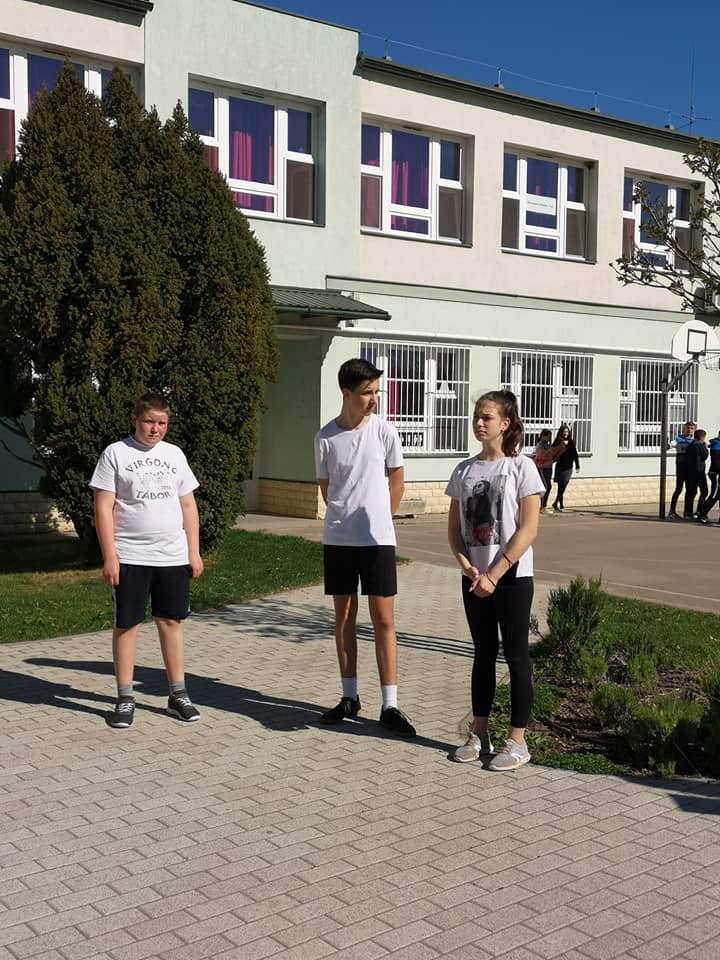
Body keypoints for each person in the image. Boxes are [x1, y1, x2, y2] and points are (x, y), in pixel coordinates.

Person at [314, 358, 416, 738]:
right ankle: (349, 697)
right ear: (346, 393)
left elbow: (397, 483)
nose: (374, 399)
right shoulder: (325, 437)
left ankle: (390, 705)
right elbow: (328, 488)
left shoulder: (385, 432)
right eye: (367, 392)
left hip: (378, 541)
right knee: (344, 619)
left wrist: (381, 518)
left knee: (383, 620)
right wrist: (346, 516)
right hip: (339, 540)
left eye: (376, 391)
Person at [90, 393, 204, 729]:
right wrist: (110, 556)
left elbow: (188, 506)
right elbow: (103, 507)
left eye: (162, 423)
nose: (155, 429)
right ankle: (125, 698)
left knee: (170, 622)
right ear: (134, 419)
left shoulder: (174, 454)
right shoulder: (116, 453)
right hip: (130, 556)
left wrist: (193, 551)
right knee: (127, 625)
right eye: (149, 422)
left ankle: (178, 695)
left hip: (172, 556)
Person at [446, 389, 544, 771]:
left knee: (516, 656)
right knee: (482, 654)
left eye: (486, 417)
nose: (479, 422)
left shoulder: (522, 467)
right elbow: (454, 530)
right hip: (475, 579)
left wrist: (495, 573)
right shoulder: (463, 471)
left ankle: (517, 741)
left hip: (511, 577)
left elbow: (529, 529)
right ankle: (479, 733)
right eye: (476, 416)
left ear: (505, 423)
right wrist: (469, 568)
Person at [668, 420, 696, 519]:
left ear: (694, 430)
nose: (689, 430)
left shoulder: (694, 441)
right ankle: (672, 511)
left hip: (690, 468)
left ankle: (688, 512)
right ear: (684, 429)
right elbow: (671, 445)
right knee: (678, 489)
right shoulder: (678, 439)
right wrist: (668, 444)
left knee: (690, 490)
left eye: (691, 428)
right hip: (681, 467)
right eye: (688, 428)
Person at [551, 424, 579, 512]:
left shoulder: (571, 442)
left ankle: (555, 502)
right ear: (561, 432)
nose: (565, 433)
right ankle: (561, 505)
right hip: (560, 465)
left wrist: (577, 465)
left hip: (568, 466)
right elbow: (552, 450)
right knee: (560, 485)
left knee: (565, 483)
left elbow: (575, 454)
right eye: (564, 431)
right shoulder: (558, 441)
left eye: (567, 431)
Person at [684, 428, 708, 520]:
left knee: (691, 492)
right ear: (702, 437)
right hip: (699, 471)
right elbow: (704, 456)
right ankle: (699, 511)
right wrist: (705, 447)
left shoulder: (691, 445)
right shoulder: (700, 445)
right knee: (704, 491)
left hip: (690, 471)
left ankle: (688, 512)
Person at [697, 432, 720, 524]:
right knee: (714, 495)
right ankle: (702, 515)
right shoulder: (717, 445)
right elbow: (716, 462)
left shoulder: (716, 443)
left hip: (715, 472)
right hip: (716, 473)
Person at [533, 428, 555, 513]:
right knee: (545, 486)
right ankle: (542, 506)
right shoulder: (540, 445)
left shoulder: (548, 445)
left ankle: (543, 506)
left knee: (548, 486)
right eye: (548, 437)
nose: (549, 438)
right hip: (542, 468)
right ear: (543, 436)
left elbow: (551, 455)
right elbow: (541, 456)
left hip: (549, 468)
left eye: (550, 437)